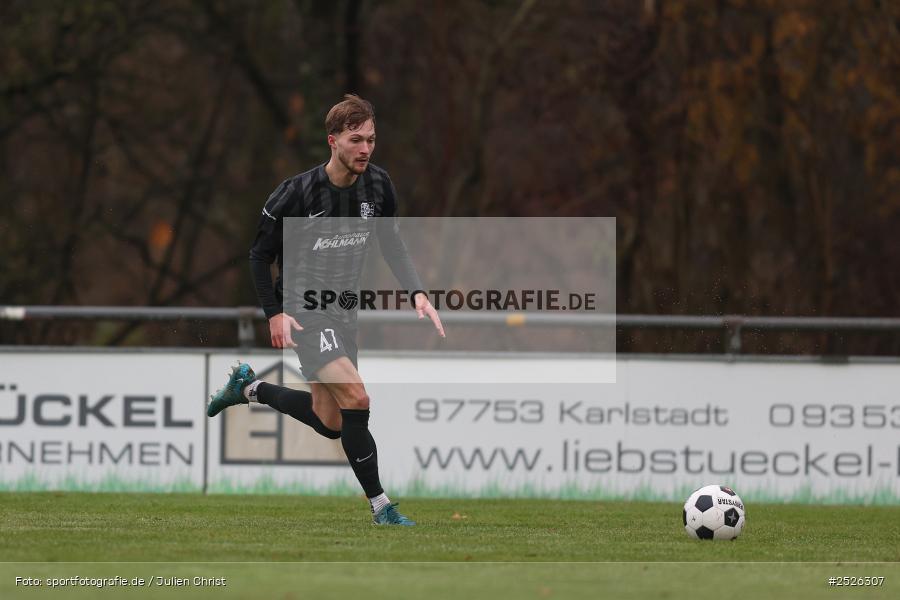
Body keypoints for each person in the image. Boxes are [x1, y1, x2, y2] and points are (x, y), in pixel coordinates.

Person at [207, 94, 444, 526]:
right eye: (356, 140)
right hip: (305, 312)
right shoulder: (296, 194)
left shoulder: (379, 186)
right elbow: (259, 256)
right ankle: (382, 507)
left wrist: (417, 293)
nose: (365, 149)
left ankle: (249, 389)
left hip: (343, 314)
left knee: (330, 421)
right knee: (357, 397)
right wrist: (274, 313)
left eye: (371, 139)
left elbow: (392, 243)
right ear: (332, 141)